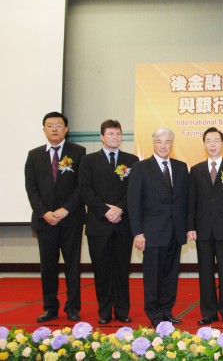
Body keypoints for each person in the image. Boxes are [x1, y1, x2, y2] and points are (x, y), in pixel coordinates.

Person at [25, 111, 86, 323]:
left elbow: (82, 186)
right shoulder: (34, 155)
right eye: (50, 125)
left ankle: (73, 307)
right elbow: (31, 188)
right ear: (44, 129)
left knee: (72, 265)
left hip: (71, 219)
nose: (54, 129)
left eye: (58, 125)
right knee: (48, 266)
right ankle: (50, 307)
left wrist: (65, 209)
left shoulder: (79, 152)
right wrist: (44, 212)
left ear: (66, 129)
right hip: (45, 220)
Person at [127, 127, 189, 327]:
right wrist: (137, 232)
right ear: (153, 143)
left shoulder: (181, 167)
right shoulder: (141, 167)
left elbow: (185, 200)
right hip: (151, 233)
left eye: (168, 142)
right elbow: (133, 202)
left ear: (172, 143)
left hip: (175, 231)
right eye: (160, 142)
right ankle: (154, 314)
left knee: (171, 275)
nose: (164, 146)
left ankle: (166, 311)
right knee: (153, 276)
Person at [79, 119, 138, 324]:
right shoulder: (89, 161)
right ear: (102, 136)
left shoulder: (132, 160)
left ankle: (122, 311)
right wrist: (106, 210)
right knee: (102, 270)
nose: (115, 137)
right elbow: (85, 190)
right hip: (99, 224)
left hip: (123, 223)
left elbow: (134, 190)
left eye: (118, 134)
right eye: (111, 134)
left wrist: (120, 208)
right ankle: (104, 312)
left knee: (122, 269)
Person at [187, 127, 223, 326]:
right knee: (205, 272)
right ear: (204, 144)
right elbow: (191, 201)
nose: (212, 144)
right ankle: (208, 313)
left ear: (222, 143)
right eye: (208, 141)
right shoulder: (196, 170)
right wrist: (190, 226)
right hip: (202, 229)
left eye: (216, 141)